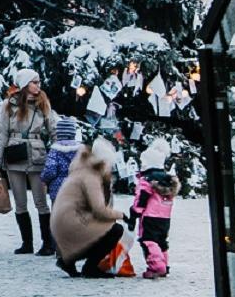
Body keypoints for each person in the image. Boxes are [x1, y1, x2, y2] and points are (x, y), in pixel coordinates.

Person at [0, 68, 56, 255]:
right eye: (34, 82)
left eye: (38, 82)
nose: (38, 85)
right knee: (20, 202)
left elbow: (53, 129)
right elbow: (2, 133)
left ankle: (48, 243)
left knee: (41, 201)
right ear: (24, 84)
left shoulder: (43, 103)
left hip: (37, 153)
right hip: (14, 152)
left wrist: (62, 150)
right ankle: (26, 243)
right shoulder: (8, 105)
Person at [52, 137, 126, 278]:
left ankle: (68, 259)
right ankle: (89, 267)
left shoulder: (81, 169)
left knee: (108, 227)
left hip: (64, 225)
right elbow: (99, 210)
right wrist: (121, 215)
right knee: (115, 230)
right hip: (74, 226)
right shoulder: (91, 177)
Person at [129, 138, 178, 279]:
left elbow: (142, 198)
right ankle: (165, 264)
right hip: (165, 217)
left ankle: (157, 266)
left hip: (150, 216)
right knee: (162, 241)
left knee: (148, 240)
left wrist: (135, 211)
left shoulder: (147, 180)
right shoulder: (168, 180)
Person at [41, 116, 81, 202]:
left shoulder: (55, 150)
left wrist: (44, 179)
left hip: (58, 190)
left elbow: (50, 169)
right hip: (77, 188)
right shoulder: (81, 151)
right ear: (74, 133)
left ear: (58, 134)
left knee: (58, 213)